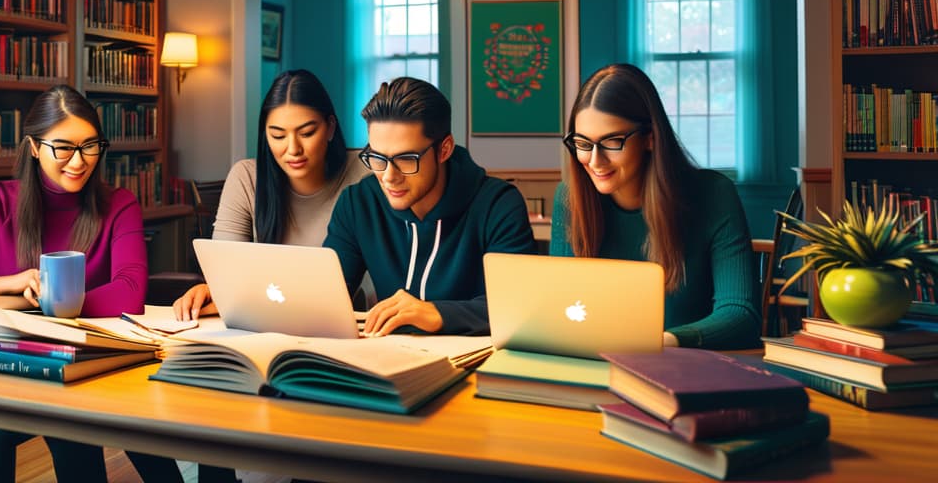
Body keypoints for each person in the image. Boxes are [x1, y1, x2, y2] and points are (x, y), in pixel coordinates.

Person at [0, 84, 178, 483]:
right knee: (63, 420)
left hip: (105, 361)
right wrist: (4, 284)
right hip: (25, 364)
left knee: (85, 420)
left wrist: (48, 305)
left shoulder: (119, 204)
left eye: (91, 146)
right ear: (33, 147)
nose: (79, 162)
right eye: (63, 147)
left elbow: (130, 290)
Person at [550, 63, 760, 350]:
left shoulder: (713, 195)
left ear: (650, 137)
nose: (595, 161)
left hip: (686, 370)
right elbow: (561, 310)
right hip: (596, 367)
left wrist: (661, 343)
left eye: (612, 142)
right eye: (583, 143)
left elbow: (740, 315)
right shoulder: (570, 199)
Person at [323, 76, 536, 336]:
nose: (389, 176)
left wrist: (435, 313)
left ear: (444, 149)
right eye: (378, 158)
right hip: (386, 360)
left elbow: (518, 308)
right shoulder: (357, 203)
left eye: (405, 159)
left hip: (474, 365)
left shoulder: (499, 205)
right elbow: (325, 299)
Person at [173, 69, 369, 321]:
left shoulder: (365, 174)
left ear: (330, 128)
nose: (293, 149)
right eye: (277, 135)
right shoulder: (246, 178)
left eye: (307, 133)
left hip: (344, 326)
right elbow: (225, 274)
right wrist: (212, 291)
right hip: (261, 325)